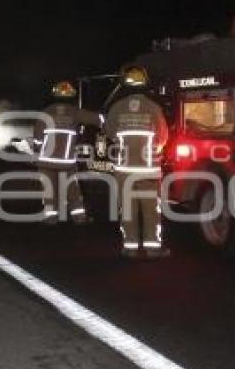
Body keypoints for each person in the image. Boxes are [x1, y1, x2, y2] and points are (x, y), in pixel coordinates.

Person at [105, 66, 170, 259]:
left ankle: (130, 248)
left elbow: (109, 132)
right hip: (148, 171)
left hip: (124, 171)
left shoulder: (116, 107)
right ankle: (152, 249)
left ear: (125, 84)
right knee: (151, 211)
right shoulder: (153, 107)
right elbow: (164, 137)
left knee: (127, 210)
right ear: (145, 84)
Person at [33, 80, 101, 224]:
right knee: (73, 192)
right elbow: (96, 119)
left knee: (49, 193)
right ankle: (79, 218)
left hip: (46, 162)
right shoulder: (74, 112)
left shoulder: (46, 112)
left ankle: (51, 220)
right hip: (66, 163)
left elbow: (38, 138)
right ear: (72, 96)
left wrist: (38, 151)